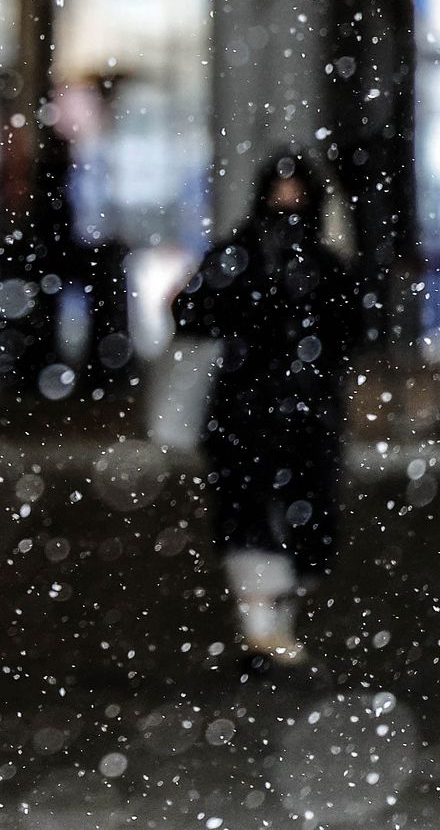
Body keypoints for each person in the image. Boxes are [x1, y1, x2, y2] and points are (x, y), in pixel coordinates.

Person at [173, 153, 363, 667]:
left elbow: (191, 311)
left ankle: (269, 625)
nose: (287, 204)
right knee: (256, 516)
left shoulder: (297, 260)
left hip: (286, 410)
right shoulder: (257, 256)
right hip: (257, 410)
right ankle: (263, 628)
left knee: (283, 517)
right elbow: (192, 312)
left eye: (294, 192)